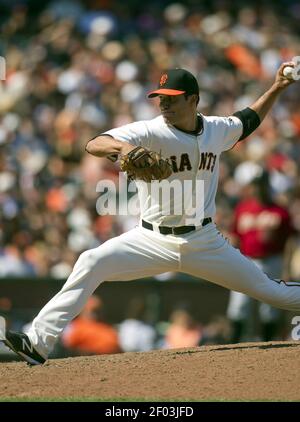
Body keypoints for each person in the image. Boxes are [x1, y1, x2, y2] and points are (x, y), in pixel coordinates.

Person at [2, 64, 300, 365]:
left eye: (172, 97)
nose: (164, 103)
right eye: (160, 97)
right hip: (150, 239)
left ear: (193, 100)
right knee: (91, 261)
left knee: (269, 291)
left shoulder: (216, 129)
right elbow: (94, 143)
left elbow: (247, 121)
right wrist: (124, 148)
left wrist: (277, 86)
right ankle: (38, 343)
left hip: (203, 240)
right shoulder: (149, 130)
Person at [226, 171, 291, 342]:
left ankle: (267, 343)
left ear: (266, 187)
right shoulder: (243, 208)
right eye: (255, 185)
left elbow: (290, 240)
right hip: (246, 260)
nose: (258, 189)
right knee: (239, 303)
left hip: (272, 260)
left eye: (261, 185)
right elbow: (233, 236)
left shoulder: (280, 211)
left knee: (270, 304)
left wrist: (286, 266)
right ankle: (234, 343)